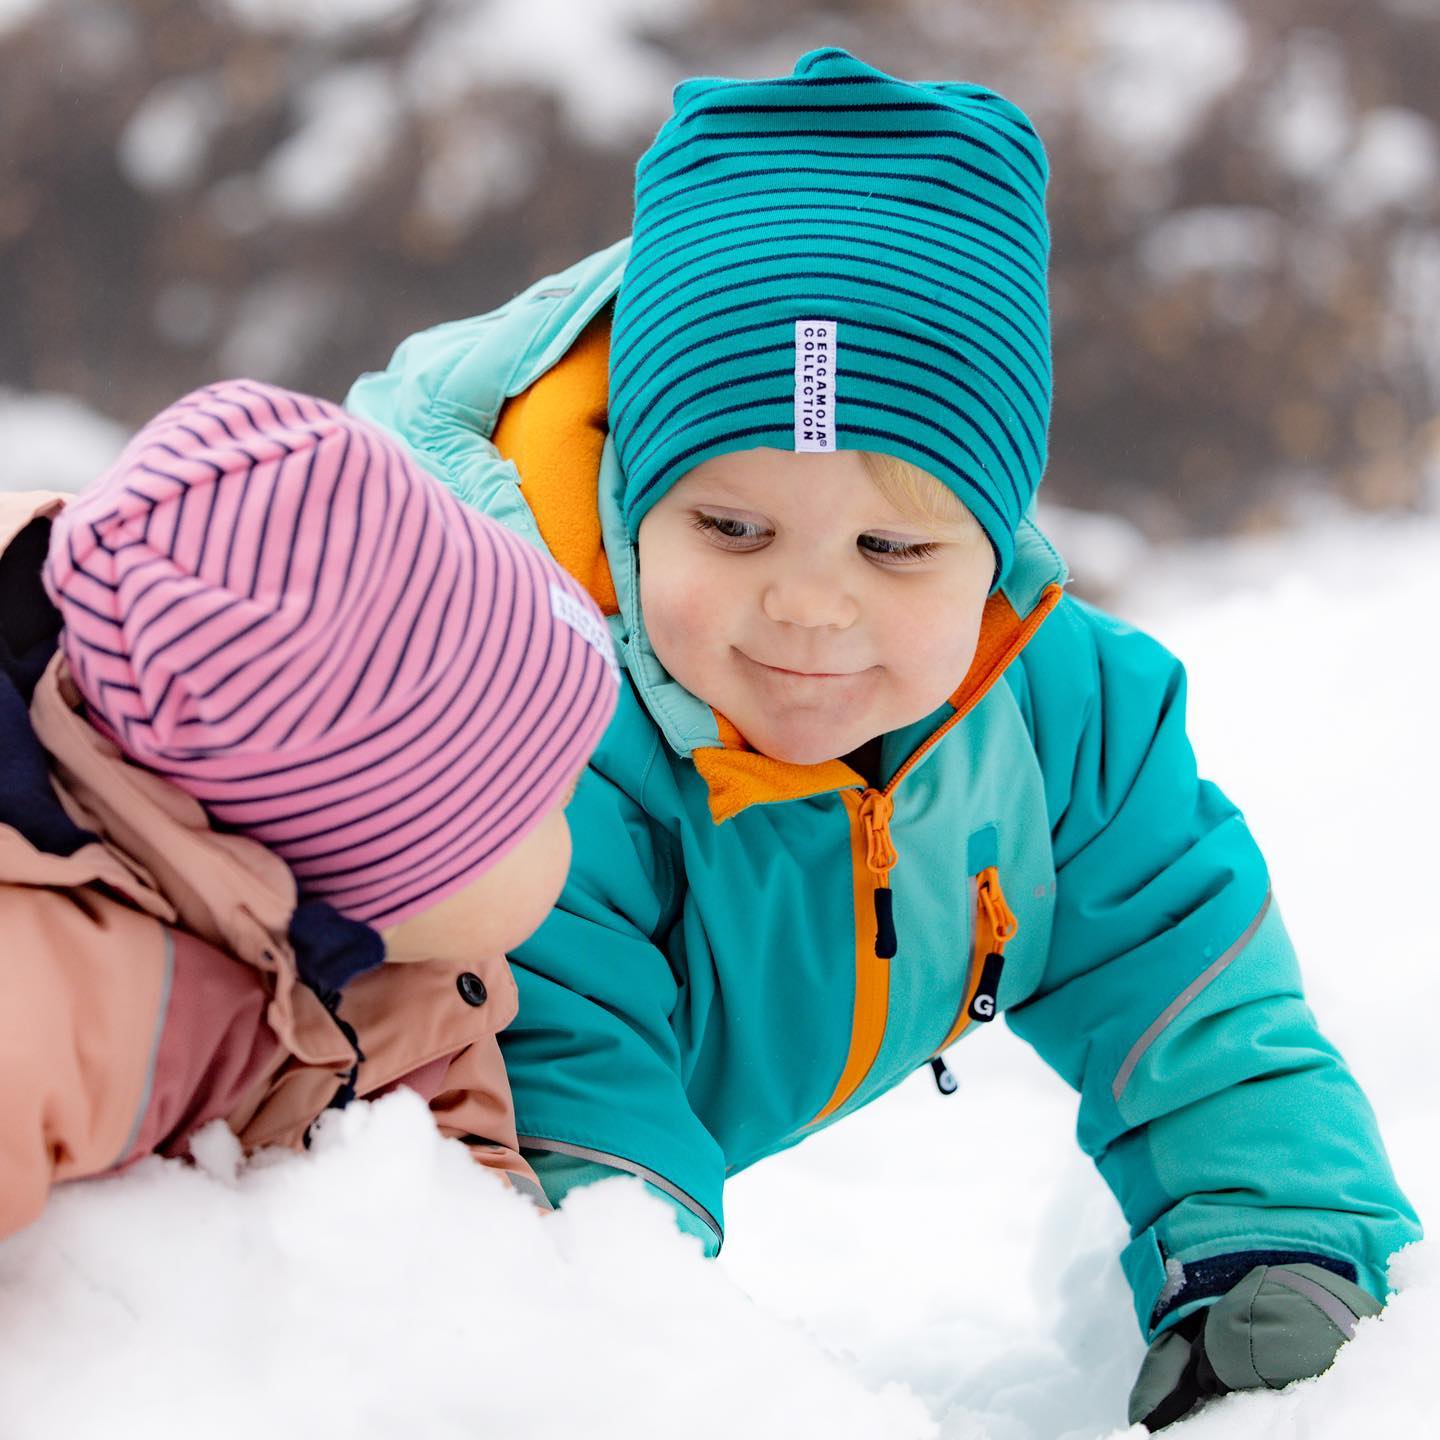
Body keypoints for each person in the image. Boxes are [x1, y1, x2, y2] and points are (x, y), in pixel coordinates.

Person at [346, 48, 1420, 1429]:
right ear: (626, 495)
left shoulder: (1061, 719)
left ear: (996, 538)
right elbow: (569, 1124)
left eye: (894, 546)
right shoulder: (527, 718)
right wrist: (644, 1376)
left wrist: (1278, 1251)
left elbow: (1192, 997)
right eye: (729, 528)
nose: (806, 604)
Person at [0, 378, 618, 1238]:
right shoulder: (78, 990)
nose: (577, 825)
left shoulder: (407, 952)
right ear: (387, 850)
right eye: (552, 797)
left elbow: (457, 1148)